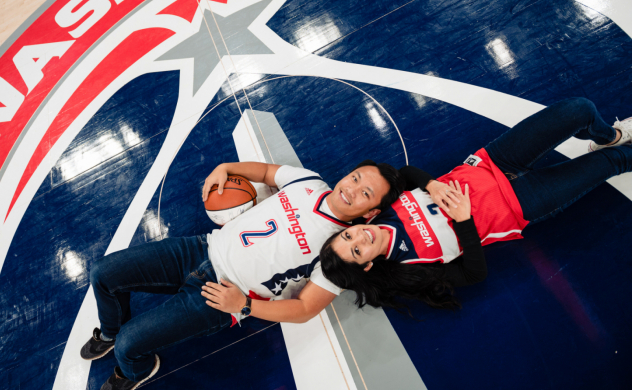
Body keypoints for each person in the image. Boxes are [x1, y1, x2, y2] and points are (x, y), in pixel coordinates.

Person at [80, 159, 403, 389]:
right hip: (198, 248)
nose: (353, 188)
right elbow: (264, 171)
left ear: (371, 213)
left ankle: (135, 371)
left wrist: (244, 306)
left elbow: (306, 309)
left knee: (129, 346)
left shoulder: (345, 248)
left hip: (224, 296)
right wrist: (227, 168)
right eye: (357, 178)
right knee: (103, 273)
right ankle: (109, 332)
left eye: (365, 194)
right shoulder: (309, 181)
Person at [320, 98, 632, 315]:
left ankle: (611, 135)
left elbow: (403, 174)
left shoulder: (378, 212)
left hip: (488, 163)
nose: (360, 238)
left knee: (580, 109)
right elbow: (473, 275)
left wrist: (432, 185)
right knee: (614, 161)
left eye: (348, 237)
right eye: (358, 251)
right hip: (520, 204)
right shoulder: (409, 270)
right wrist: (464, 220)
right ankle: (616, 148)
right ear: (368, 266)